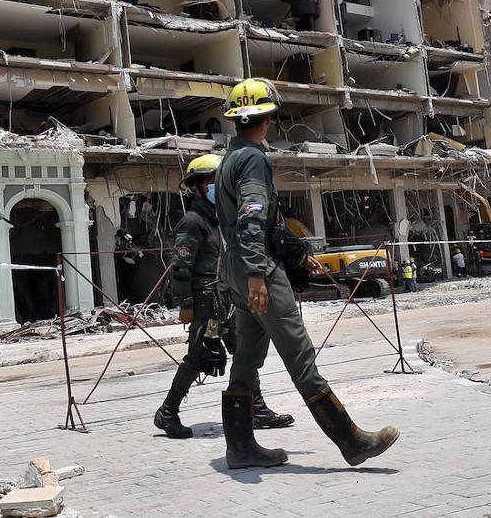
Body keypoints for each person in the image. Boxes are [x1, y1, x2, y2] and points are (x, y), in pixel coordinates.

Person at [216, 78, 399, 469]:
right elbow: (252, 218)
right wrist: (256, 274)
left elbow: (249, 223)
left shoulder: (227, 159)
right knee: (299, 354)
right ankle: (351, 441)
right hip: (256, 264)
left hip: (234, 264)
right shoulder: (252, 159)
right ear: (267, 118)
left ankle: (240, 447)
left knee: (247, 356)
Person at [154, 154, 293, 439]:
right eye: (213, 182)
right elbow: (180, 267)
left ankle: (257, 408)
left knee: (244, 353)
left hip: (226, 300)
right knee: (196, 358)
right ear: (197, 187)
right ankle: (167, 412)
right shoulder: (192, 222)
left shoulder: (220, 221)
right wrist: (186, 304)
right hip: (204, 301)